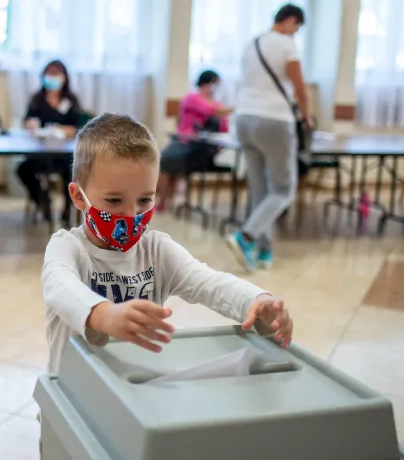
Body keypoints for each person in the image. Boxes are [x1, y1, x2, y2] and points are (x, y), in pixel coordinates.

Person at [41, 112, 293, 377]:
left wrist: (257, 301)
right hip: (70, 399)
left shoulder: (157, 251)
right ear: (79, 196)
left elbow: (210, 283)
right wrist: (104, 315)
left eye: (144, 200)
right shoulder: (67, 248)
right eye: (115, 201)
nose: (131, 215)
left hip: (134, 394)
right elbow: (61, 287)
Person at [226, 3, 310, 272]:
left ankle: (263, 252)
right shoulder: (286, 45)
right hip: (273, 120)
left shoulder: (251, 44)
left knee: (260, 189)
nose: (294, 34)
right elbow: (300, 87)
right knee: (283, 189)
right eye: (296, 29)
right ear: (291, 21)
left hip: (244, 118)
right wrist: (306, 116)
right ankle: (246, 236)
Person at [16, 60, 82, 224]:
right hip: (40, 152)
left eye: (56, 74)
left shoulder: (71, 100)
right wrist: (30, 124)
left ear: (64, 78)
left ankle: (68, 209)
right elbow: (27, 121)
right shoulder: (37, 99)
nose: (52, 78)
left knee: (72, 169)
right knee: (23, 169)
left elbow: (79, 126)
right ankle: (42, 200)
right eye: (49, 74)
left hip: (64, 153)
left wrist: (63, 130)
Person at [157, 70, 233, 211]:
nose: (215, 88)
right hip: (184, 142)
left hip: (203, 149)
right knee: (167, 161)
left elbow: (223, 129)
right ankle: (163, 200)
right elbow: (210, 110)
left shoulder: (218, 105)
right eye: (214, 84)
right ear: (205, 83)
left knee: (173, 163)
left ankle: (166, 200)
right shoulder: (192, 98)